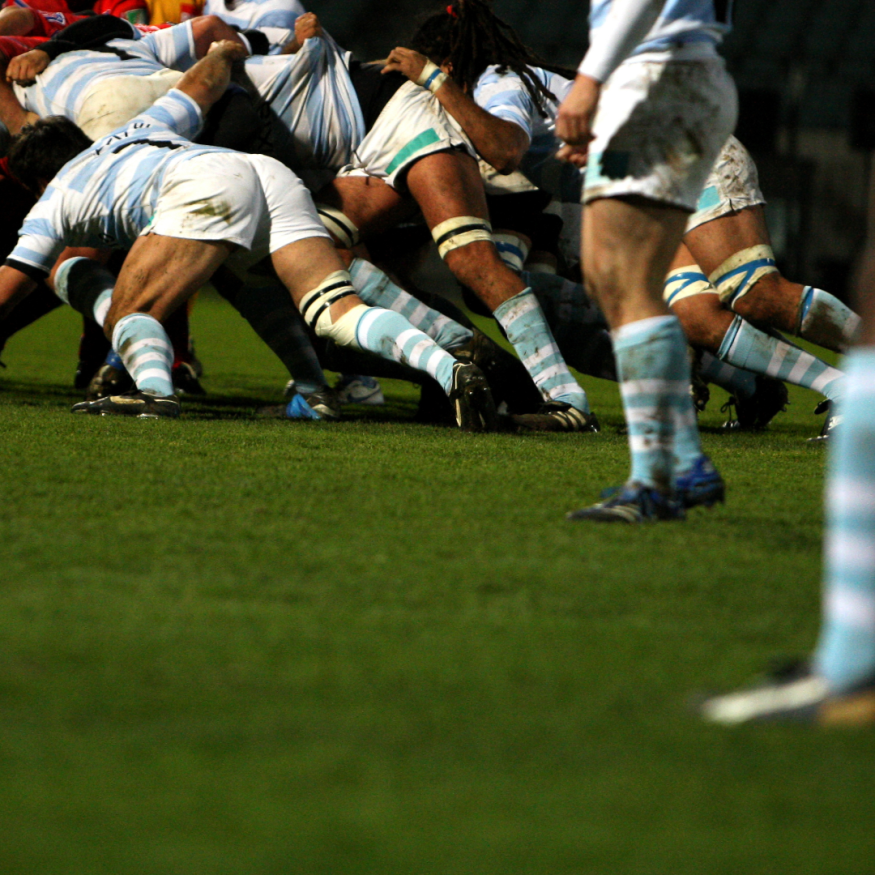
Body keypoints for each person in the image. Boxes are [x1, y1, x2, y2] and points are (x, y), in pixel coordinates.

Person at [0, 40, 500, 431]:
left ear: (34, 181)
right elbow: (201, 84)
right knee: (332, 312)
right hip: (262, 173)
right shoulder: (133, 129)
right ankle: (441, 369)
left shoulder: (53, 198)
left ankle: (154, 395)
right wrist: (223, 52)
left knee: (127, 311)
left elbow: (11, 285)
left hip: (202, 189)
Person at [700, 157, 875, 725]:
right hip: (651, 161)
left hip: (679, 143)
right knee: (680, 308)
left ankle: (853, 667)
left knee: (754, 292)